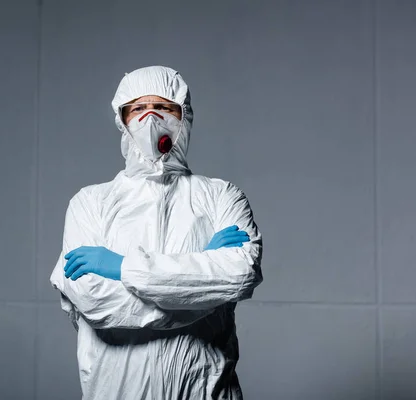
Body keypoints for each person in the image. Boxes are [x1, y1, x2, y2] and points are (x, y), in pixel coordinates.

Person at [50, 65, 263, 400]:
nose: (150, 117)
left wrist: (123, 268)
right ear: (122, 121)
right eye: (137, 108)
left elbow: (240, 275)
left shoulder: (221, 196)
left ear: (185, 116)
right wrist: (202, 278)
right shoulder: (90, 202)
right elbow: (95, 302)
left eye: (164, 107)